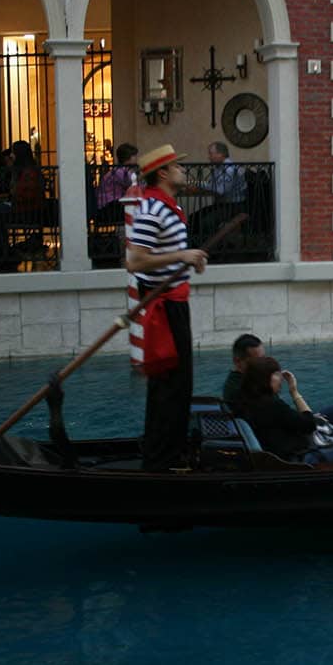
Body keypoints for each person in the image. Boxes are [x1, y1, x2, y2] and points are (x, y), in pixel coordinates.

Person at [128, 143, 208, 471]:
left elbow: (165, 257)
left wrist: (191, 262)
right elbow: (134, 261)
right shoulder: (152, 209)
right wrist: (181, 256)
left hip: (176, 305)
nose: (183, 170)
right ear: (162, 172)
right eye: (178, 166)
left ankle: (170, 454)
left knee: (179, 385)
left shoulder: (169, 207)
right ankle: (161, 460)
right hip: (165, 311)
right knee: (168, 387)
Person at [222, 332, 333, 442]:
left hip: (286, 423)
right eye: (258, 361)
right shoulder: (244, 389)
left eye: (264, 358)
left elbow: (279, 414)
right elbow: (277, 416)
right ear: (238, 361)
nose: (263, 364)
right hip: (289, 436)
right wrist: (295, 395)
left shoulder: (251, 381)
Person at [231, 355, 333, 465]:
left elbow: (290, 421)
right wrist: (294, 391)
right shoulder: (272, 405)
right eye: (277, 375)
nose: (281, 379)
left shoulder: (246, 399)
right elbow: (308, 425)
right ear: (265, 379)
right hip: (295, 459)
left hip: (283, 448)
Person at [96, 142, 139, 220]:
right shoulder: (121, 171)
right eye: (134, 156)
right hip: (109, 207)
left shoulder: (118, 170)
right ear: (129, 157)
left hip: (108, 206)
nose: (136, 158)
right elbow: (134, 185)